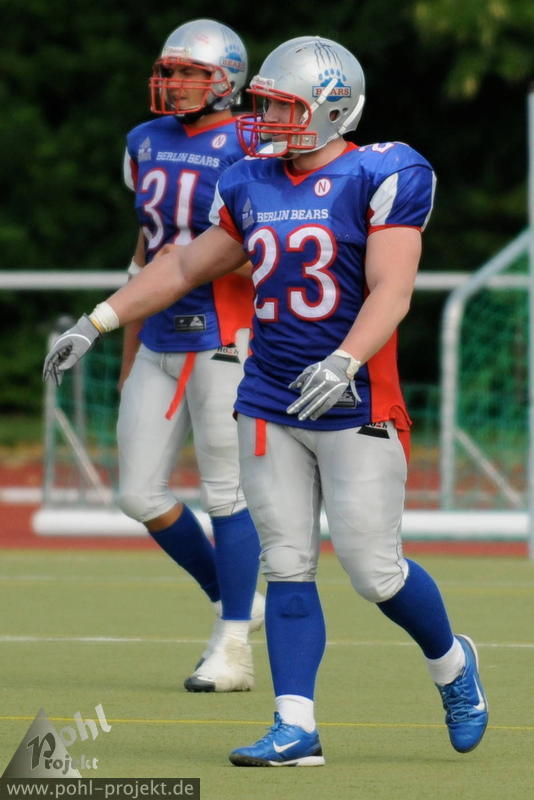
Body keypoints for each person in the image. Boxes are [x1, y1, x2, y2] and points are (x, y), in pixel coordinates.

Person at [44, 35, 489, 765]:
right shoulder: (251, 181)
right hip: (268, 397)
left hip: (354, 401)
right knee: (287, 564)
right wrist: (98, 321)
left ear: (331, 108)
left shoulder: (381, 172)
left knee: (375, 572)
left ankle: (452, 665)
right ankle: (295, 724)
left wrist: (346, 359)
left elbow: (392, 290)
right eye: (264, 105)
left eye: (283, 107)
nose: (266, 119)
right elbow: (182, 266)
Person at [116, 18, 264, 692]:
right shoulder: (143, 141)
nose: (174, 83)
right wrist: (128, 341)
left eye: (190, 72)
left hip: (226, 333)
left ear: (226, 79)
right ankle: (233, 598)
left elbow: (269, 247)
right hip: (159, 334)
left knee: (227, 493)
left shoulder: (254, 142)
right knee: (138, 493)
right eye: (169, 71)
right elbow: (144, 254)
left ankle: (232, 647)